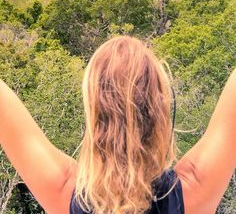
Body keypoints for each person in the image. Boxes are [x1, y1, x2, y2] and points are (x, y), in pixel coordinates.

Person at [0, 35, 235, 214]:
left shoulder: (64, 193)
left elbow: (19, 130)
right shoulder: (193, 192)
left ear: (93, 116)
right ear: (161, 113)